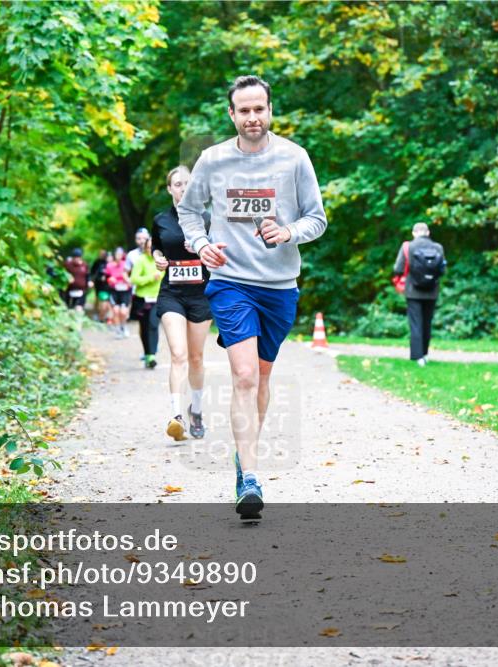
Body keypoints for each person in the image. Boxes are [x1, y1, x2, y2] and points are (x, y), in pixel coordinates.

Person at [177, 74, 328, 518]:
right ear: (232, 114)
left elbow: (317, 218)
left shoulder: (294, 158)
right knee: (243, 375)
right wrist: (201, 244)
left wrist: (288, 232)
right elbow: (189, 211)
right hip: (231, 281)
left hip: (279, 286)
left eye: (259, 109)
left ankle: (245, 459)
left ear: (270, 110)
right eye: (244, 110)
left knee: (261, 378)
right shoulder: (212, 160)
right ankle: (251, 479)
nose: (252, 117)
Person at [152, 165, 213, 441]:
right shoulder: (161, 220)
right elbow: (156, 246)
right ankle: (176, 417)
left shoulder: (208, 219)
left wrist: (203, 249)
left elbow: (222, 252)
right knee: (178, 354)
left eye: (188, 183)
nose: (183, 188)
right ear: (170, 189)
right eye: (178, 184)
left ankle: (196, 411)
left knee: (196, 357)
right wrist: (157, 258)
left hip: (201, 294)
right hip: (172, 293)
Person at [393, 222, 446, 366]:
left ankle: (418, 357)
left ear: (414, 233)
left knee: (416, 323)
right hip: (432, 291)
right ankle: (425, 354)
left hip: (413, 291)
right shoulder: (438, 247)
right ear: (428, 232)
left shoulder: (408, 246)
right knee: (427, 323)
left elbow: (398, 268)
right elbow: (442, 270)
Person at [130, 236, 164, 369]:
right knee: (144, 328)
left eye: (153, 248)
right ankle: (147, 354)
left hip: (157, 299)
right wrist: (151, 278)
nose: (151, 250)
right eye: (149, 248)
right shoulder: (141, 260)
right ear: (145, 248)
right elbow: (134, 279)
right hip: (142, 300)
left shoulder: (161, 261)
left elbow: (164, 276)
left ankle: (152, 355)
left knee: (153, 325)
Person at [104, 247, 132, 338]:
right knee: (116, 311)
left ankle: (124, 326)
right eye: (117, 254)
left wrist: (128, 280)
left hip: (125, 291)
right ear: (114, 255)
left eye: (120, 254)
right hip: (114, 291)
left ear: (123, 255)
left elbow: (132, 275)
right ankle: (118, 330)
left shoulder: (126, 264)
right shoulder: (109, 265)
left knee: (123, 312)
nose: (118, 256)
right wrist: (110, 279)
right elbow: (106, 278)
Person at [125, 228, 151, 323]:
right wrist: (128, 281)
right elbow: (125, 272)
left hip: (153, 291)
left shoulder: (156, 253)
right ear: (135, 240)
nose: (141, 241)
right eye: (139, 238)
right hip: (137, 292)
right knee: (141, 320)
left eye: (144, 238)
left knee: (152, 320)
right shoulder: (131, 255)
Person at [63, 248, 89, 313]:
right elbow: (62, 274)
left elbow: (88, 275)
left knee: (79, 309)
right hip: (69, 290)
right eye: (75, 258)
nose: (76, 259)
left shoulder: (84, 265)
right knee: (69, 309)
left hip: (81, 290)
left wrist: (89, 281)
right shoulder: (67, 264)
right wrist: (67, 278)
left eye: (78, 258)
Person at [90, 249, 112, 324]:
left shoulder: (111, 264)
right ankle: (98, 314)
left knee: (108, 302)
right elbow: (93, 272)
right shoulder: (98, 262)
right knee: (99, 300)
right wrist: (93, 280)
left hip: (109, 286)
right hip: (99, 285)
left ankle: (106, 316)